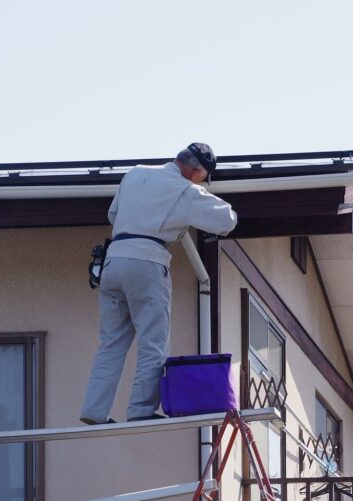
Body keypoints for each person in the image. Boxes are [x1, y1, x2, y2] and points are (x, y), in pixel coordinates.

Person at [80, 143, 238, 424]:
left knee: (111, 342)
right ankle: (140, 409)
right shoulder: (185, 190)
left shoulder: (135, 173)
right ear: (196, 171)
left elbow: (113, 215)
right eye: (204, 178)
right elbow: (227, 221)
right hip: (147, 262)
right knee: (153, 342)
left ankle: (94, 411)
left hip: (113, 260)